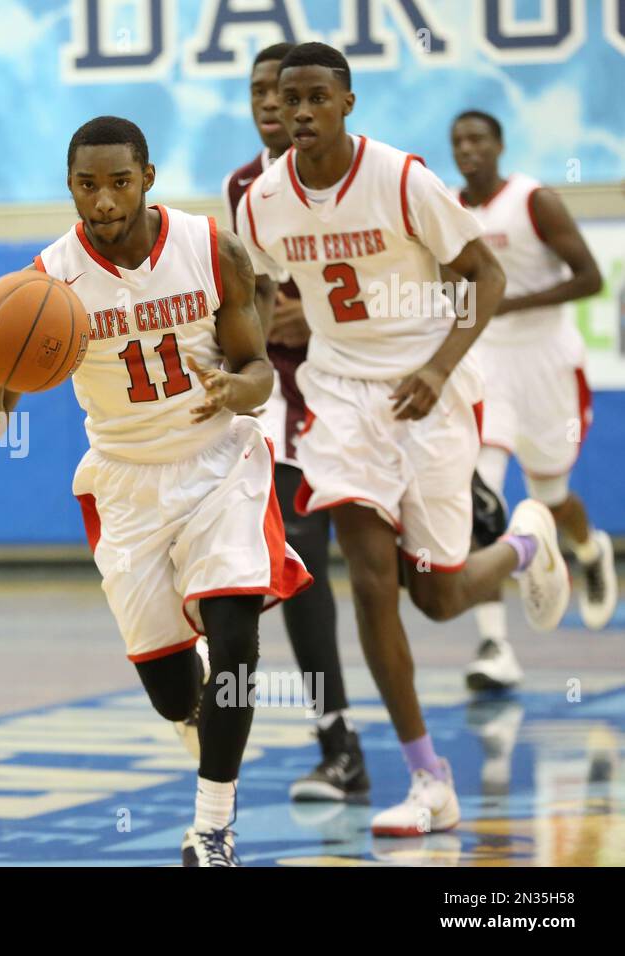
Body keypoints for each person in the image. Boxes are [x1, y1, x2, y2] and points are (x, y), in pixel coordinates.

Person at [237, 42, 571, 837]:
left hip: (431, 389)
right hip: (341, 395)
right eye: (290, 100)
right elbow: (253, 292)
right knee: (369, 578)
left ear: (348, 103)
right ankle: (429, 779)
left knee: (440, 595)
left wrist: (437, 366)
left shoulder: (401, 178)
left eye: (319, 97)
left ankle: (526, 545)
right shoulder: (263, 202)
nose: (301, 112)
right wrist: (236, 361)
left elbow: (485, 275)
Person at [0, 116, 311, 866]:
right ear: (70, 188)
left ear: (147, 178)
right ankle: (206, 739)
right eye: (87, 185)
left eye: (119, 181)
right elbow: (6, 379)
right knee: (169, 691)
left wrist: (235, 388)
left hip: (219, 462)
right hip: (126, 481)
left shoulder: (209, 247)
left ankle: (213, 829)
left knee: (236, 643)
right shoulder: (48, 279)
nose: (103, 199)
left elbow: (258, 369)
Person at [221, 41, 367, 803]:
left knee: (425, 584)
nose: (271, 104)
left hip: (370, 387)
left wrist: (323, 315)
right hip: (285, 401)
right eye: (257, 92)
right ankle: (339, 743)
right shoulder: (244, 188)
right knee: (298, 560)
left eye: (283, 91)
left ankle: (511, 544)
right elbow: (247, 301)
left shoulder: (372, 176)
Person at [450, 109, 616, 691]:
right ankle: (494, 645)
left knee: (551, 493)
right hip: (485, 364)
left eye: (477, 139)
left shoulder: (533, 201)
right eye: (458, 142)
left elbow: (591, 277)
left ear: (498, 145)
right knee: (478, 493)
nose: (467, 149)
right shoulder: (449, 208)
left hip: (546, 362)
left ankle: (588, 548)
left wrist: (510, 303)